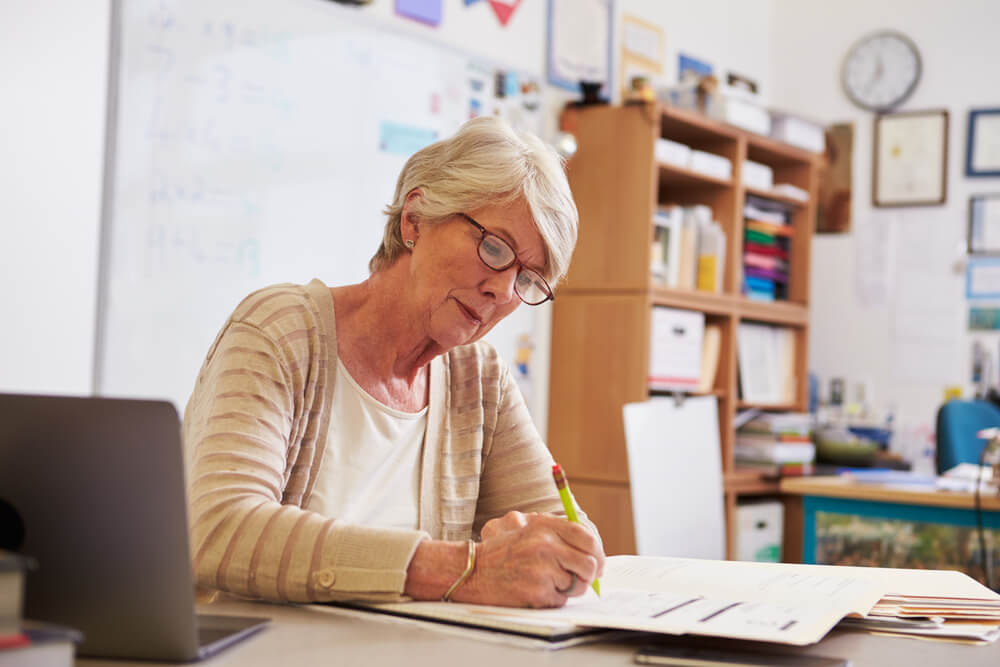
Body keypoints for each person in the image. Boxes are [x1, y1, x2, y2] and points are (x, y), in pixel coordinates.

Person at [183, 116, 604, 609]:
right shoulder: (280, 331)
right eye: (494, 248)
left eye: (528, 279)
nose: (501, 290)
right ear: (415, 219)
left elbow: (559, 536)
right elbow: (220, 529)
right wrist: (465, 571)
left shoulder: (479, 379)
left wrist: (567, 553)